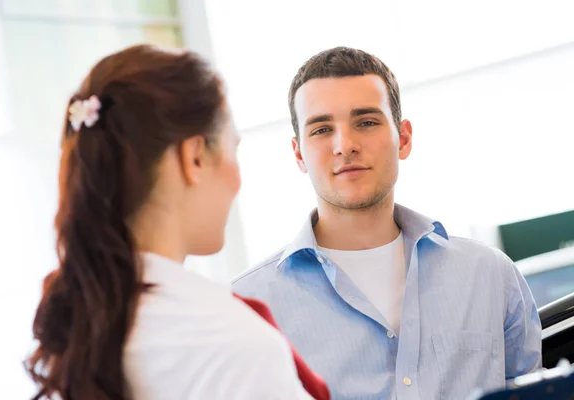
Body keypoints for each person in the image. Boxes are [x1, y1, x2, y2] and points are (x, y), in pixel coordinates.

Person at [232, 46, 542, 400]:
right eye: (321, 129)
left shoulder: (490, 276)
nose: (345, 145)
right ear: (299, 153)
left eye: (366, 122)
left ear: (404, 138)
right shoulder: (248, 308)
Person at [25, 44, 329, 400]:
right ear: (195, 157)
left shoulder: (76, 328)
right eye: (233, 147)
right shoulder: (234, 344)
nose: (238, 177)